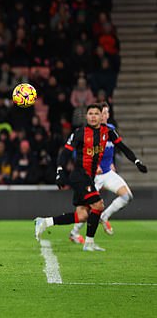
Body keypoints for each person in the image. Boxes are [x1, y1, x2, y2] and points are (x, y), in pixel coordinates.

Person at [35, 103, 147, 251]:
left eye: (96, 114)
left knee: (81, 215)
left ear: (101, 116)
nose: (93, 117)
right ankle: (89, 243)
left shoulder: (108, 132)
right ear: (86, 116)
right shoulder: (80, 133)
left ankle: (45, 222)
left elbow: (123, 148)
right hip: (80, 175)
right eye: (90, 114)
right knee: (98, 205)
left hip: (90, 176)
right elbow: (66, 153)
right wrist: (60, 171)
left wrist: (136, 161)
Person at [69, 102, 147, 243]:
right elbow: (77, 152)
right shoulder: (88, 132)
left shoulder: (110, 130)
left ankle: (104, 216)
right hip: (92, 175)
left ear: (108, 115)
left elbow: (117, 148)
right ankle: (74, 233)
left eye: (105, 113)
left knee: (127, 196)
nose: (103, 115)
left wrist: (113, 163)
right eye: (101, 113)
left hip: (107, 172)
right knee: (87, 208)